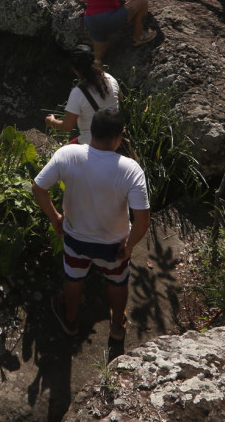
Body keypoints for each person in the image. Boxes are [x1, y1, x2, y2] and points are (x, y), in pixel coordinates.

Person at [32, 107, 150, 342]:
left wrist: (55, 217)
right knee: (117, 281)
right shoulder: (130, 170)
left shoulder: (67, 154)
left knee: (73, 278)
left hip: (75, 238)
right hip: (114, 243)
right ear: (118, 137)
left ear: (91, 130)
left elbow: (38, 188)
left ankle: (71, 320)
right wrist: (129, 246)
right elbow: (142, 219)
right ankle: (117, 325)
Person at [45, 45, 120, 146]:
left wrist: (52, 121)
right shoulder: (110, 79)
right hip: (115, 138)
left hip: (92, 142)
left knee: (62, 155)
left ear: (75, 69)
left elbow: (67, 126)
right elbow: (119, 99)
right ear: (94, 61)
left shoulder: (78, 93)